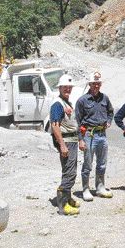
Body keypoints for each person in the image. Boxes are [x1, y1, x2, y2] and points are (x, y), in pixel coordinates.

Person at [75, 71, 114, 201]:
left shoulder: (105, 98)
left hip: (102, 134)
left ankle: (100, 187)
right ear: (89, 84)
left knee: (102, 163)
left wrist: (109, 121)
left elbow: (110, 111)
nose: (96, 86)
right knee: (87, 164)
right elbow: (78, 121)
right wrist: (80, 140)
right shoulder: (82, 101)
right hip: (88, 134)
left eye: (98, 83)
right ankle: (85, 189)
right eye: (94, 84)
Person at [50, 74, 80, 215]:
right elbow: (55, 125)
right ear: (60, 88)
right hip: (67, 142)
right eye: (65, 87)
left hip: (71, 141)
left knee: (68, 170)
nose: (67, 89)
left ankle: (67, 198)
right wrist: (62, 144)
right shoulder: (57, 104)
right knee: (70, 172)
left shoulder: (65, 102)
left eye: (69, 87)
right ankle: (63, 205)